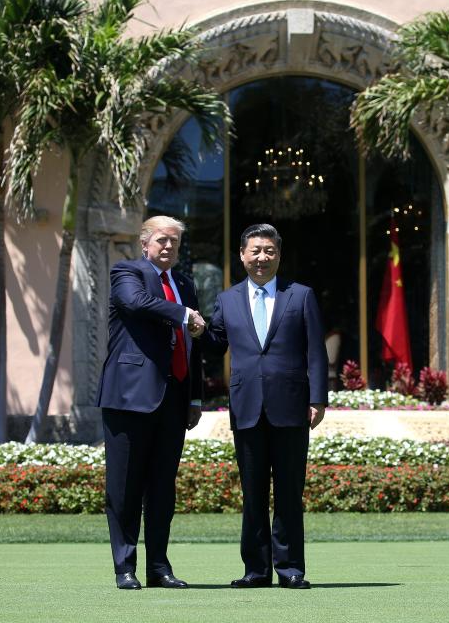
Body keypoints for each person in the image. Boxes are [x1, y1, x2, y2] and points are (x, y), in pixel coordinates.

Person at [203, 223, 327, 589]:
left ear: (278, 255)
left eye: (269, 251)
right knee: (252, 493)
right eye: (255, 250)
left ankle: (290, 569)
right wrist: (196, 329)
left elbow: (315, 352)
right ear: (242, 255)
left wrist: (318, 398)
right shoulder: (227, 300)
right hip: (246, 408)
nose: (262, 257)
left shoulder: (300, 296)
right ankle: (255, 570)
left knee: (289, 493)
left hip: (291, 407)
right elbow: (214, 344)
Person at [94, 215, 206, 590]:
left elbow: (194, 345)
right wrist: (182, 314)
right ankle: (125, 567)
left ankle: (159, 567)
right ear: (145, 243)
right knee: (124, 488)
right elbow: (136, 303)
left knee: (162, 489)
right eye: (162, 240)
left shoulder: (186, 285)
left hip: (174, 400)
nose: (169, 247)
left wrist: (194, 396)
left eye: (175, 241)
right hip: (128, 397)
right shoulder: (127, 272)